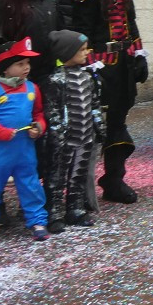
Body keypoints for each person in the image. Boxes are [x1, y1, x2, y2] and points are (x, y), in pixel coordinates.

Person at [74, 0, 146, 205]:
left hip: (124, 64)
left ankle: (114, 180)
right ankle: (79, 188)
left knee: (118, 122)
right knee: (90, 129)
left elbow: (132, 21)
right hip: (100, 66)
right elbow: (83, 31)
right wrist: (90, 68)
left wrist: (139, 55)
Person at [0, 0, 62, 224]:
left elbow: (54, 31)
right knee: (1, 149)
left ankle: (31, 204)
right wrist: (11, 68)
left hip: (41, 79)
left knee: (38, 143)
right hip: (7, 85)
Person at [0, 38, 49, 244]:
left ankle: (37, 220)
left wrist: (39, 127)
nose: (26, 68)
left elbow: (39, 113)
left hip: (25, 150)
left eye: (28, 63)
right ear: (5, 68)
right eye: (20, 64)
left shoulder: (33, 89)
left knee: (30, 184)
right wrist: (2, 132)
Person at [46, 30, 101, 227]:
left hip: (85, 137)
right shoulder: (56, 80)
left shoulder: (87, 78)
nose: (87, 53)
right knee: (58, 176)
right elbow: (52, 111)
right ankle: (54, 212)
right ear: (67, 52)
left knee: (78, 174)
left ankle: (75, 208)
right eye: (82, 50)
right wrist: (57, 133)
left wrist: (98, 126)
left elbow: (94, 104)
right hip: (65, 139)